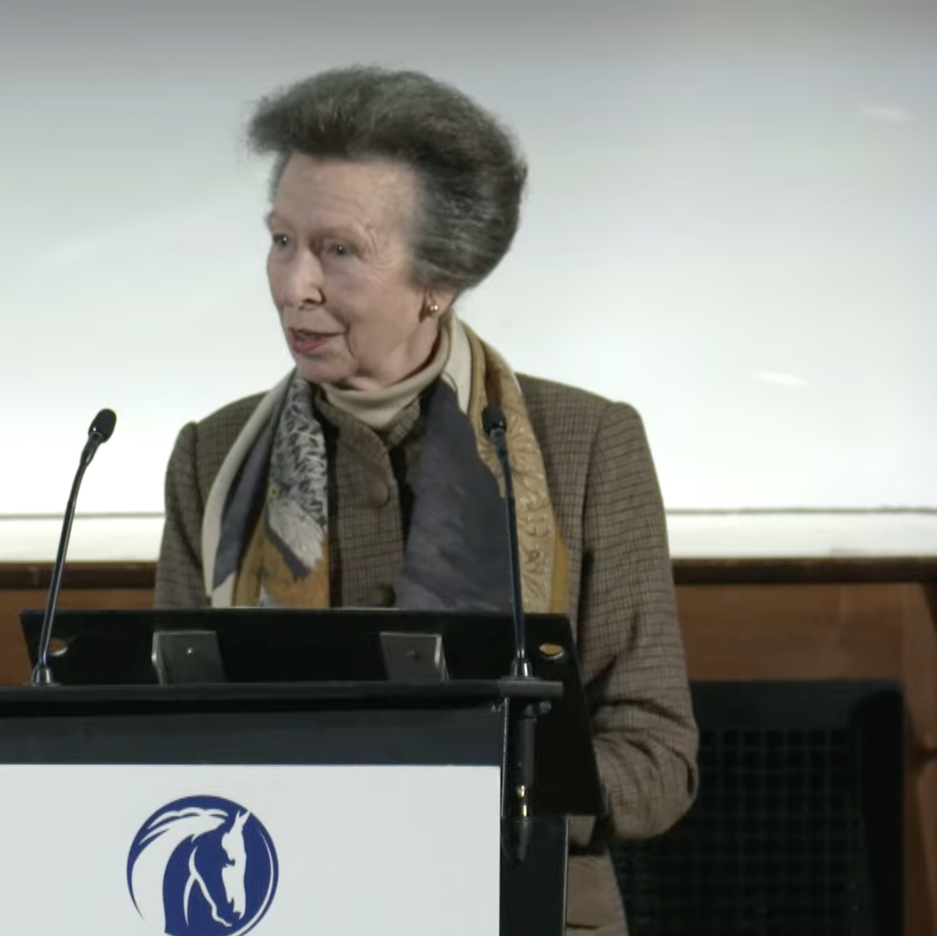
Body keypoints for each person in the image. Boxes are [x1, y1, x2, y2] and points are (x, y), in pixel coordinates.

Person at [154, 64, 698, 935]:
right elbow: (168, 729)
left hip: (521, 901)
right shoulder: (211, 459)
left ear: (441, 278)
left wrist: (500, 794)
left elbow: (658, 756)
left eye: (338, 250)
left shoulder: (589, 446)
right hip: (285, 902)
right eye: (282, 240)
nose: (295, 285)